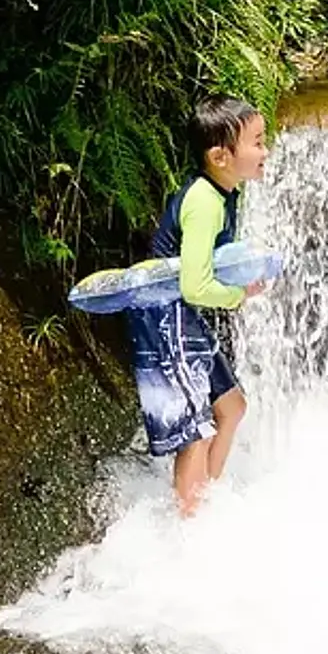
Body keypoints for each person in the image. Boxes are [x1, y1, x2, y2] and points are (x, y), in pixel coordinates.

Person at [128, 97, 273, 517]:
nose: (265, 152)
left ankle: (205, 503)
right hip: (162, 314)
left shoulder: (223, 192)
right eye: (258, 143)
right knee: (196, 432)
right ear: (220, 156)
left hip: (178, 313)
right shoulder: (205, 202)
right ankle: (189, 528)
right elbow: (195, 285)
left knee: (232, 407)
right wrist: (238, 296)